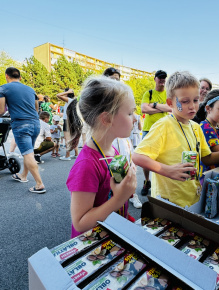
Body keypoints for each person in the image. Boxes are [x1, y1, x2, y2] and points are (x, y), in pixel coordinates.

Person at [133, 71, 219, 208]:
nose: (192, 106)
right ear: (170, 103)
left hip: (192, 198)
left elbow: (207, 158)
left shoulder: (196, 127)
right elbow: (138, 157)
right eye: (185, 101)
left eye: (196, 100)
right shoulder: (163, 125)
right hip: (168, 201)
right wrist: (167, 170)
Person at [66, 76, 137, 238]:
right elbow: (80, 222)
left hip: (115, 232)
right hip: (94, 244)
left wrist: (126, 184)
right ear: (106, 119)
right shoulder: (87, 165)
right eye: (130, 112)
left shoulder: (113, 151)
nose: (135, 118)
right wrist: (120, 197)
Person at [0, 67, 46, 193]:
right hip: (35, 123)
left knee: (28, 154)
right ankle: (23, 175)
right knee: (27, 151)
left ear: (6, 76)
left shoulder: (3, 88)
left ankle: (39, 184)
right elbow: (36, 109)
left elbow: (0, 111)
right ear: (20, 78)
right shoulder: (30, 89)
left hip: (21, 124)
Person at [103, 66, 142, 209]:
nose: (116, 84)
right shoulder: (101, 101)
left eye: (118, 80)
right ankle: (112, 198)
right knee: (112, 170)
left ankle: (132, 195)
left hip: (123, 140)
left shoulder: (122, 97)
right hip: (109, 138)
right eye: (112, 80)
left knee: (129, 165)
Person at [140, 70, 172, 196]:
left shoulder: (168, 94)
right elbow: (144, 109)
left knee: (162, 158)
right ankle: (147, 181)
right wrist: (160, 107)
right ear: (155, 79)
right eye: (160, 78)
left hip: (164, 129)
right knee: (145, 158)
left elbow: (170, 108)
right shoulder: (149, 93)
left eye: (164, 78)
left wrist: (153, 105)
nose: (162, 80)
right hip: (148, 129)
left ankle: (160, 184)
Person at [57, 88, 79, 160]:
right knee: (73, 138)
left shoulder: (69, 100)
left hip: (67, 120)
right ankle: (76, 154)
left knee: (67, 138)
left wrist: (67, 91)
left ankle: (67, 155)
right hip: (73, 120)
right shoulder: (75, 100)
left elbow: (58, 95)